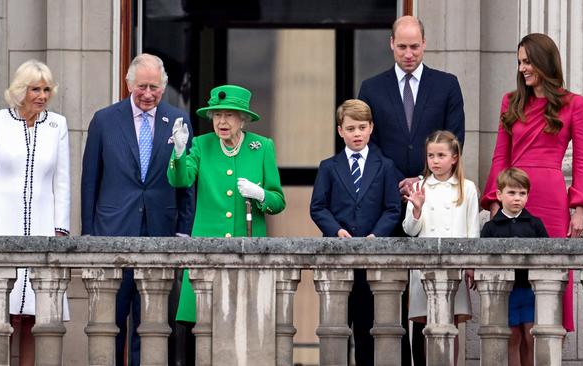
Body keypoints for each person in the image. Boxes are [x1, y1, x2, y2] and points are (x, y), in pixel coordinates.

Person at [358, 16, 466, 365]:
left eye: (414, 46)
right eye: (402, 46)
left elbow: (455, 139)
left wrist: (421, 178)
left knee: (427, 297)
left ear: (425, 44)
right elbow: (367, 145)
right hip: (385, 204)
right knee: (384, 294)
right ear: (391, 44)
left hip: (433, 201)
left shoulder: (446, 85)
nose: (408, 53)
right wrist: (396, 181)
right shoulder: (371, 88)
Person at [81, 53, 195, 366]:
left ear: (164, 86)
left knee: (152, 325)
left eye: (154, 87)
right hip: (112, 234)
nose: (148, 94)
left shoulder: (179, 120)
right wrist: (88, 233)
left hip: (160, 234)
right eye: (142, 86)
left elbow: (188, 183)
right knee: (111, 323)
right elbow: (90, 180)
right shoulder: (104, 120)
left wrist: (184, 230)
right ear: (129, 84)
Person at [481, 33, 583, 333]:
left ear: (545, 62)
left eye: (528, 61)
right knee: (511, 286)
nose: (522, 68)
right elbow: (499, 157)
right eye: (520, 62)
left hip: (552, 200)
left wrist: (580, 207)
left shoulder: (575, 104)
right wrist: (495, 204)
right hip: (514, 197)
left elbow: (582, 160)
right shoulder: (511, 101)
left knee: (551, 282)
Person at [0, 59, 70, 365]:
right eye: (35, 89)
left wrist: (60, 231)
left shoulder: (57, 125)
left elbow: (62, 182)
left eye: (46, 89)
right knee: (1, 311)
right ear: (21, 90)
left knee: (35, 317)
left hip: (42, 226)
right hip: (0, 223)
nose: (42, 95)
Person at [167, 84, 285, 358]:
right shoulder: (201, 145)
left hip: (247, 257)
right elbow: (180, 179)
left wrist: (260, 194)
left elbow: (278, 201)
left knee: (244, 332)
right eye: (217, 115)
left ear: (242, 119)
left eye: (229, 115)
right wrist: (179, 153)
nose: (222, 121)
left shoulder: (262, 147)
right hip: (206, 254)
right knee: (203, 332)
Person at [309, 99, 401, 366]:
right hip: (337, 261)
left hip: (372, 264)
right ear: (340, 131)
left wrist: (377, 236)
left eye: (362, 127)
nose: (357, 133)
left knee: (367, 331)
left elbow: (393, 208)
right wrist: (336, 230)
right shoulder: (329, 166)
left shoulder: (385, 166)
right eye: (350, 128)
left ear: (371, 128)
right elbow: (318, 207)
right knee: (335, 330)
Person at [402, 130, 479, 365]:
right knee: (426, 325)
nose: (435, 161)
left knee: (451, 325)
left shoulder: (467, 188)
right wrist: (416, 209)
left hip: (454, 266)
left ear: (454, 157)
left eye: (441, 155)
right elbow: (409, 229)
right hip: (424, 267)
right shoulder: (420, 187)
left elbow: (472, 231)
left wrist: (472, 265)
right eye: (430, 156)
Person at [481, 168, 548, 366]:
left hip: (530, 290)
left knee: (530, 336)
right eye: (511, 192)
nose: (517, 198)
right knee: (512, 338)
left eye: (522, 193)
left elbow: (548, 255)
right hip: (505, 292)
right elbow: (483, 259)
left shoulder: (535, 224)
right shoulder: (491, 227)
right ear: (499, 194)